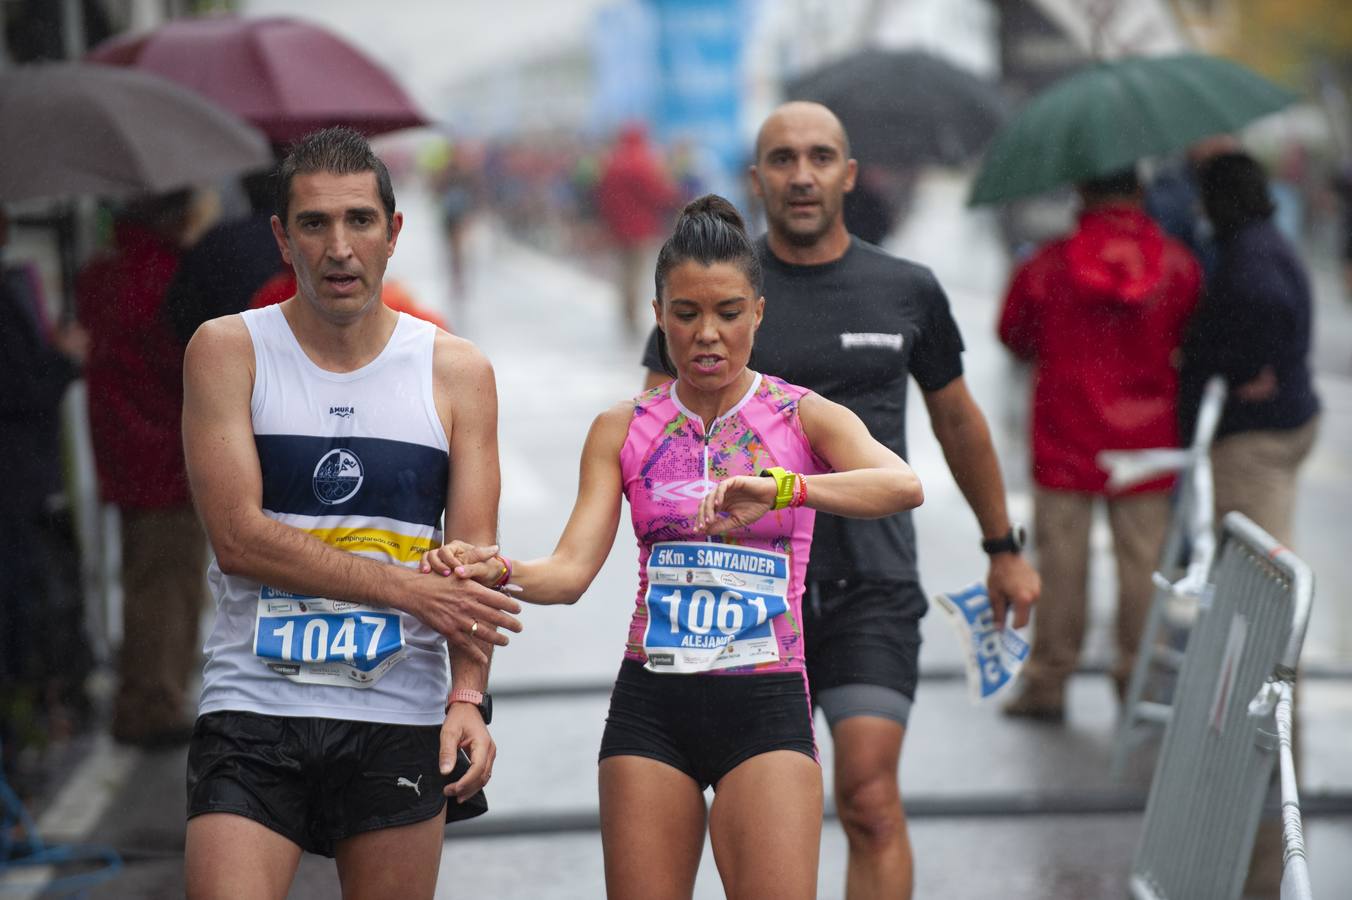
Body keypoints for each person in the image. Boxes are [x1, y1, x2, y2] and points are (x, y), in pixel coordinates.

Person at [430, 194, 923, 900]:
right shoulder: (622, 428)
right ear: (657, 315)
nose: (707, 335)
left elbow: (901, 484)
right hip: (651, 711)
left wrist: (789, 490)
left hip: (765, 703)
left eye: (727, 312)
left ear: (758, 310)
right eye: (686, 313)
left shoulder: (798, 415)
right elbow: (569, 573)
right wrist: (498, 568)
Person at [641, 103, 1040, 900]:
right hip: (739, 593)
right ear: (756, 181)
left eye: (820, 157)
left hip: (870, 583)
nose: (801, 174)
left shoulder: (906, 291)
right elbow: (658, 434)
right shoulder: (714, 294)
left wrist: (1004, 549)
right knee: (745, 815)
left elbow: (957, 420)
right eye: (782, 160)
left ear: (849, 175)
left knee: (867, 798)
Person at [180, 127, 524, 899]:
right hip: (254, 705)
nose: (339, 247)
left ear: (393, 233)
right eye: (314, 224)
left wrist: (468, 698)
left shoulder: (457, 372)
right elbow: (237, 538)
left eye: (359, 221)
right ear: (282, 237)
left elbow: (472, 561)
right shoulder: (228, 351)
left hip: (396, 711)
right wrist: (408, 589)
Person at [998, 167, 1201, 722]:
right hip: (1148, 440)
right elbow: (1195, 334)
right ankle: (1136, 678)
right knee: (1143, 567)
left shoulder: (1047, 263)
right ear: (1138, 193)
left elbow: (1013, 333)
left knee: (1061, 564)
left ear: (1082, 193)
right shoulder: (1179, 262)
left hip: (1065, 431)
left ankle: (1048, 682)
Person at [76, 189, 204, 747]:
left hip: (118, 443)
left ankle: (143, 695)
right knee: (169, 583)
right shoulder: (168, 273)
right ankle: (154, 702)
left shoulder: (99, 274)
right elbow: (183, 363)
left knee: (143, 579)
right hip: (167, 449)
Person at [1182, 151, 1321, 547]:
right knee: (1259, 550)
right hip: (1285, 416)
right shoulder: (1266, 242)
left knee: (1259, 557)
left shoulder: (1251, 256)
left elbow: (1265, 302)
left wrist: (1250, 370)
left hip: (1257, 431)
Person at [0, 207, 93, 773]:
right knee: (24, 611)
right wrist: (63, 360)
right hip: (16, 483)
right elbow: (20, 388)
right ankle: (23, 733)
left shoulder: (15, 287)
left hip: (27, 478)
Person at [596, 123, 679, 334]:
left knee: (623, 271)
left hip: (618, 226)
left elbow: (603, 196)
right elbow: (658, 193)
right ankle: (631, 316)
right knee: (637, 271)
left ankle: (625, 312)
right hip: (641, 226)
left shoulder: (613, 162)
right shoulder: (644, 162)